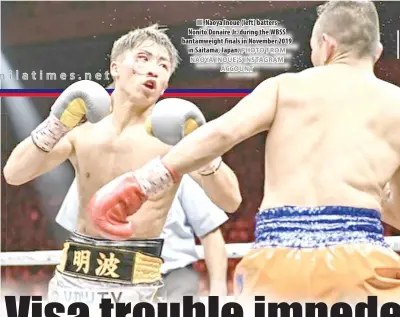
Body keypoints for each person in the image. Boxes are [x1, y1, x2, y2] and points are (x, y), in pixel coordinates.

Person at [86, 1, 400, 304]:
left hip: (278, 262)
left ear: (326, 46)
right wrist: (373, 191)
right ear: (377, 50)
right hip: (361, 265)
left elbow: (221, 133)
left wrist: (143, 182)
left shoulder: (285, 88)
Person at [3, 24, 241, 305]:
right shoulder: (82, 131)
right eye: (143, 58)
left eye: (163, 66)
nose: (153, 69)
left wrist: (205, 150)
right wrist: (55, 124)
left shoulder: (175, 140)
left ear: (166, 83)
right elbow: (14, 173)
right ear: (115, 68)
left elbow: (231, 200)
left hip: (138, 284)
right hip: (74, 278)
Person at [56, 173, 229, 302]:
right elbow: (75, 234)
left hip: (173, 275)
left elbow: (210, 231)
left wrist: (219, 289)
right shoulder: (90, 168)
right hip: (112, 277)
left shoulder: (179, 170)